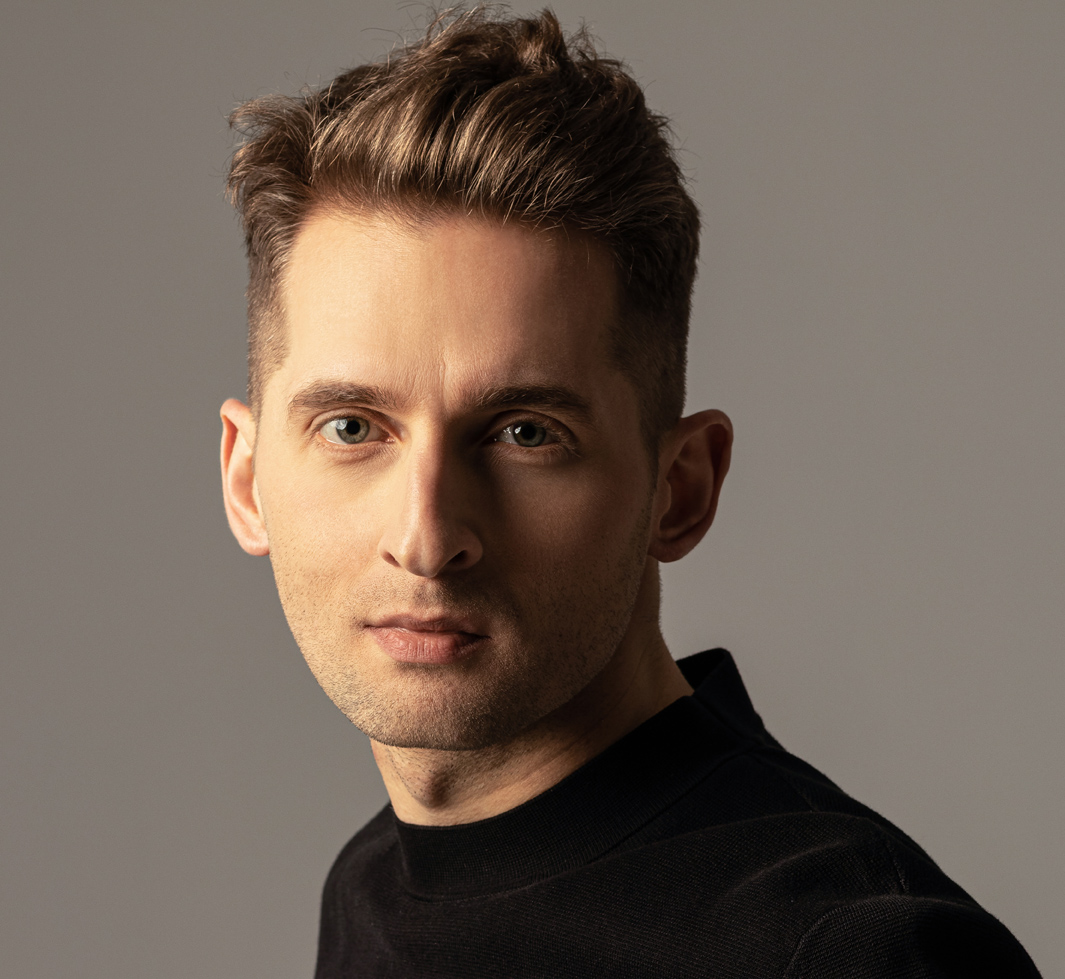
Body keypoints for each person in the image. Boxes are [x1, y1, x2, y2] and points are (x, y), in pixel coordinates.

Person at [219, 7, 1040, 977]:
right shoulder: (372, 883)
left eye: (526, 433)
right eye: (353, 428)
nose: (426, 536)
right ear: (248, 477)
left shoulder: (848, 950)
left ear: (678, 490)